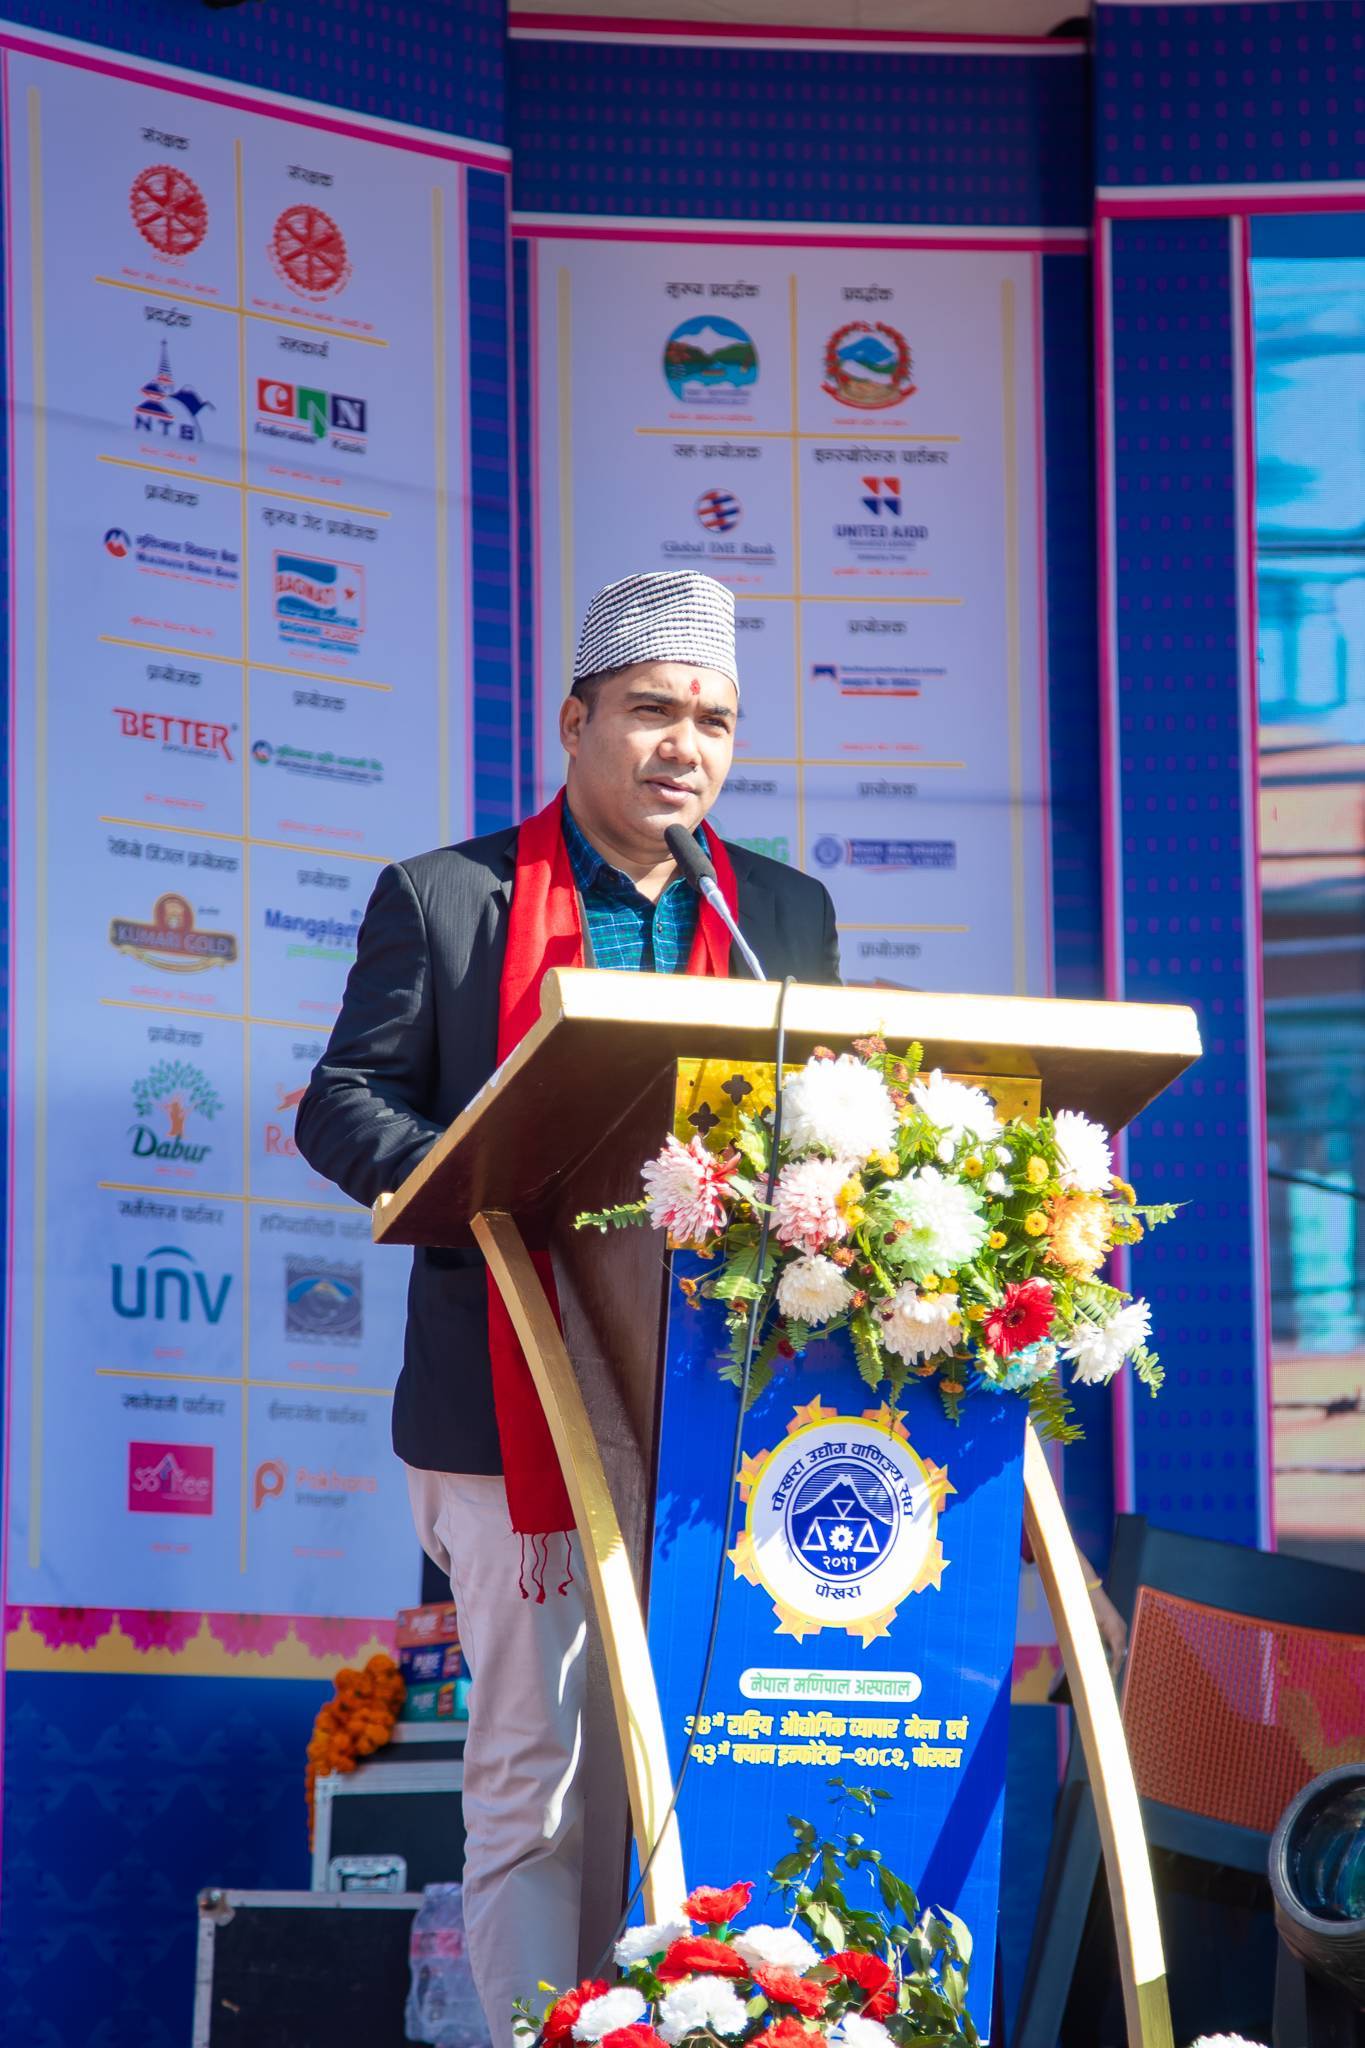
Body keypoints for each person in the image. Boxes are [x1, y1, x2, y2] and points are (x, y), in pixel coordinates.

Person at [295, 571, 840, 2048]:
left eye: (714, 721)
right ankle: (544, 2029)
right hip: (508, 1396)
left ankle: (710, 2019)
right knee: (541, 1773)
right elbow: (344, 1102)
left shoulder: (779, 912)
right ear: (573, 721)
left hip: (723, 1408)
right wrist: (476, 1180)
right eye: (653, 711)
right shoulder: (448, 897)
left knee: (712, 1758)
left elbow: (826, 1122)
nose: (685, 747)